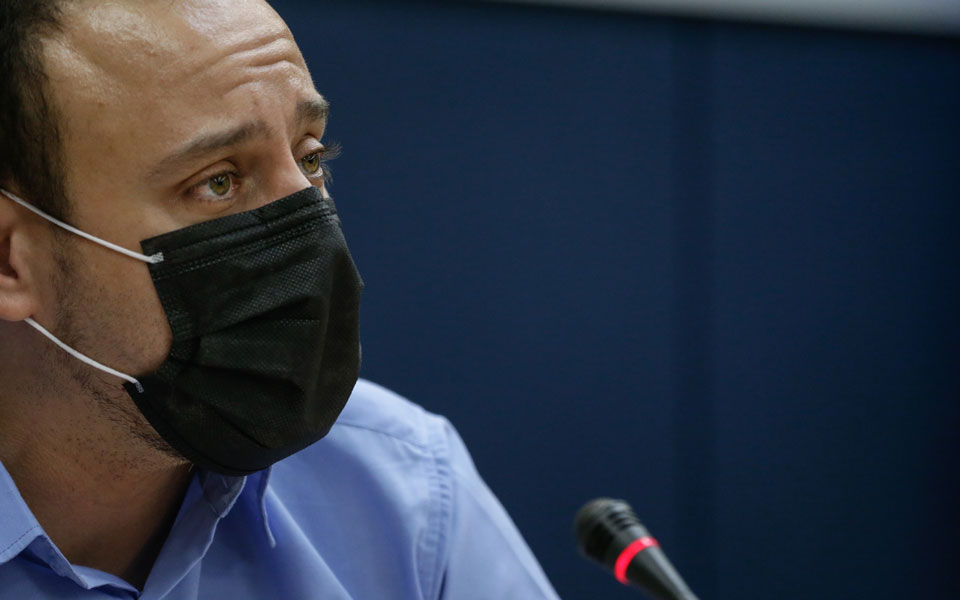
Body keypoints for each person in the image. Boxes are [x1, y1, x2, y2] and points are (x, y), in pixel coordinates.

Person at [0, 1, 560, 598]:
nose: (308, 223)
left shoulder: (408, 495)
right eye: (218, 182)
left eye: (309, 157)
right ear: (11, 261)